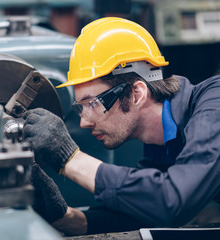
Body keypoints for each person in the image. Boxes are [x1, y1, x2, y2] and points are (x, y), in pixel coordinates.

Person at [22, 17, 220, 235]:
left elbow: (173, 200)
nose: (84, 122)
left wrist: (69, 157)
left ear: (137, 93)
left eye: (92, 103)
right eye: (81, 107)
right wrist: (67, 218)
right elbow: (147, 206)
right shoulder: (165, 142)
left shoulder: (214, 106)